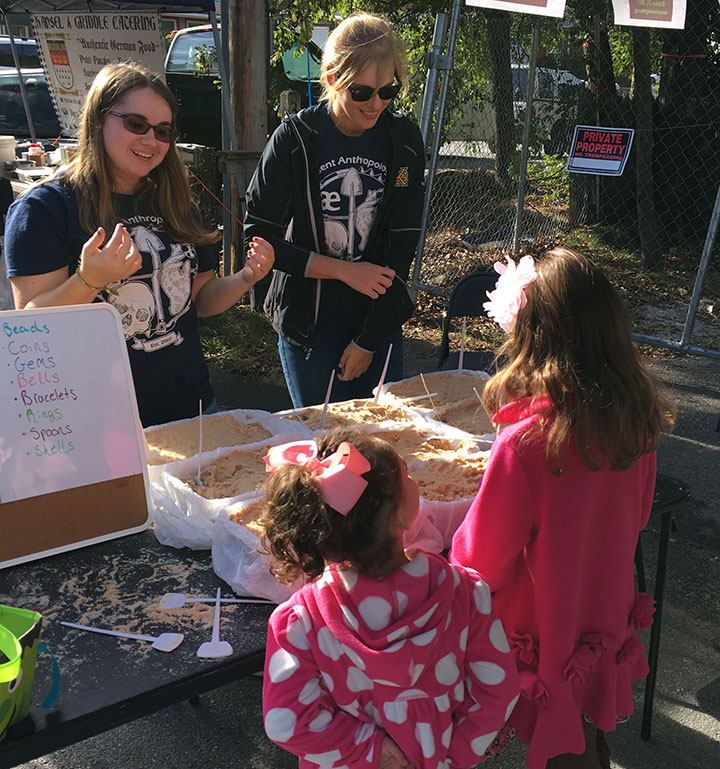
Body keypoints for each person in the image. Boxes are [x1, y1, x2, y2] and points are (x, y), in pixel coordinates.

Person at [450, 248, 676, 769]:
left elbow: (480, 561)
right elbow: (638, 515)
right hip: (600, 611)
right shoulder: (636, 425)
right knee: (580, 727)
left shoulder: (525, 445)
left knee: (552, 734)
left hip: (540, 622)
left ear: (531, 336)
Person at [5, 61, 273, 427]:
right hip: (97, 421)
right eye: (136, 124)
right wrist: (89, 280)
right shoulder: (45, 208)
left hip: (192, 408)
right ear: (99, 120)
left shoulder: (174, 202)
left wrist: (244, 278)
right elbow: (32, 326)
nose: (151, 140)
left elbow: (200, 301)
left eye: (163, 131)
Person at [259, 428, 520, 769]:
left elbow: (286, 723)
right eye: (406, 475)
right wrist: (453, 756)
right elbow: (499, 690)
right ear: (401, 512)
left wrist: (367, 748)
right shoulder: (467, 594)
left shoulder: (299, 621)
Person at [244, 13, 424, 408]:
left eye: (388, 90)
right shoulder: (294, 140)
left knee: (382, 447)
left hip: (376, 319)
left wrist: (369, 339)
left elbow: (403, 241)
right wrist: (345, 270)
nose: (376, 103)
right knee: (324, 446)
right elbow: (259, 238)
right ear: (331, 78)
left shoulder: (404, 141)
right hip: (309, 325)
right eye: (361, 92)